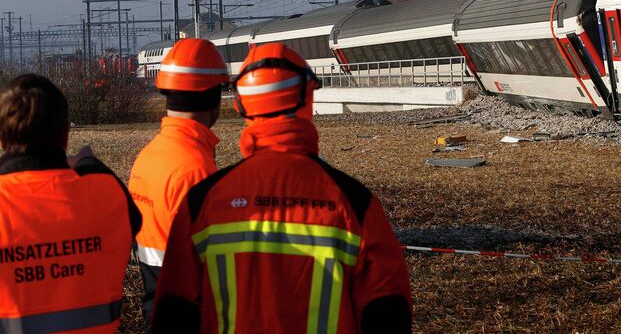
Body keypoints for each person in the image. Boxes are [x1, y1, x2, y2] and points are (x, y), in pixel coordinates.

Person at [153, 43, 412, 333]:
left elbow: (173, 311)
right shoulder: (353, 202)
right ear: (307, 100)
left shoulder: (203, 202)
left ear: (241, 106)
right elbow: (389, 308)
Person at [0, 74, 141, 333]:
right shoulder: (106, 194)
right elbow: (135, 219)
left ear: (2, 138)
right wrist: (87, 162)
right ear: (65, 133)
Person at [128, 38, 230, 327]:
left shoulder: (148, 156)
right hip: (192, 314)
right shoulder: (196, 169)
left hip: (158, 305)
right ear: (214, 97)